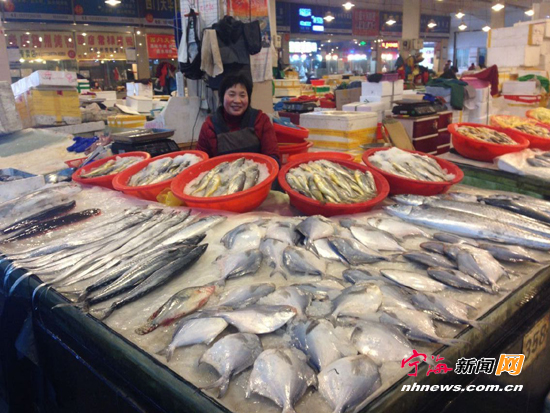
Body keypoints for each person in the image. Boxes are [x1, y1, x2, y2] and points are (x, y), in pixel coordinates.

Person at [196, 73, 280, 164]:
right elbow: (200, 163)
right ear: (222, 97)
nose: (237, 101)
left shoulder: (261, 120)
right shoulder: (209, 126)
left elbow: (273, 158)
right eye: (232, 94)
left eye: (242, 95)